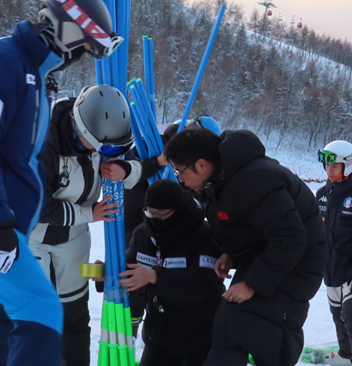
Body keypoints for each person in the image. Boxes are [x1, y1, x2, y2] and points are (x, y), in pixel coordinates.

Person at [0, 0, 123, 365]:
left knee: (4, 314)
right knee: (37, 308)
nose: (78, 57)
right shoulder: (2, 59)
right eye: (82, 47)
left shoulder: (37, 77)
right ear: (65, 30)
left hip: (8, 221)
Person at [163, 128, 327, 366]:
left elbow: (290, 238)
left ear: (201, 165)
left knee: (267, 332)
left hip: (298, 262)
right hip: (267, 253)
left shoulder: (254, 179)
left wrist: (252, 284)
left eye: (180, 171)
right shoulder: (219, 179)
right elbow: (248, 223)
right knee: (229, 324)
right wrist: (232, 253)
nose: (180, 179)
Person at [29, 85, 141, 366]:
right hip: (34, 238)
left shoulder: (107, 138)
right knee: (35, 319)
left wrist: (125, 169)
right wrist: (89, 213)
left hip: (74, 243)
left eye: (117, 149)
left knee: (75, 317)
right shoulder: (44, 142)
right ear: (83, 132)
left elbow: (143, 165)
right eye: (106, 149)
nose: (110, 154)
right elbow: (38, 207)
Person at [122, 115, 222, 338]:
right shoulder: (149, 144)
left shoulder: (199, 231)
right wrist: (158, 161)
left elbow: (201, 282)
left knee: (162, 276)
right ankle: (133, 326)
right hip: (139, 224)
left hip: (173, 228)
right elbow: (128, 172)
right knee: (138, 279)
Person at [118, 179, 224, 366]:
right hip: (159, 335)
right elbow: (131, 268)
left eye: (162, 215)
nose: (154, 218)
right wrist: (109, 273)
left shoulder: (203, 235)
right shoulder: (143, 234)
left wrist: (154, 276)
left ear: (178, 210)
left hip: (201, 338)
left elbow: (200, 284)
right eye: (150, 212)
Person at [315, 140, 352, 366]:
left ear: (347, 166)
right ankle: (346, 353)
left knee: (351, 314)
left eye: (335, 166)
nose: (329, 171)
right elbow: (314, 231)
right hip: (329, 266)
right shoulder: (322, 194)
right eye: (327, 166)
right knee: (337, 313)